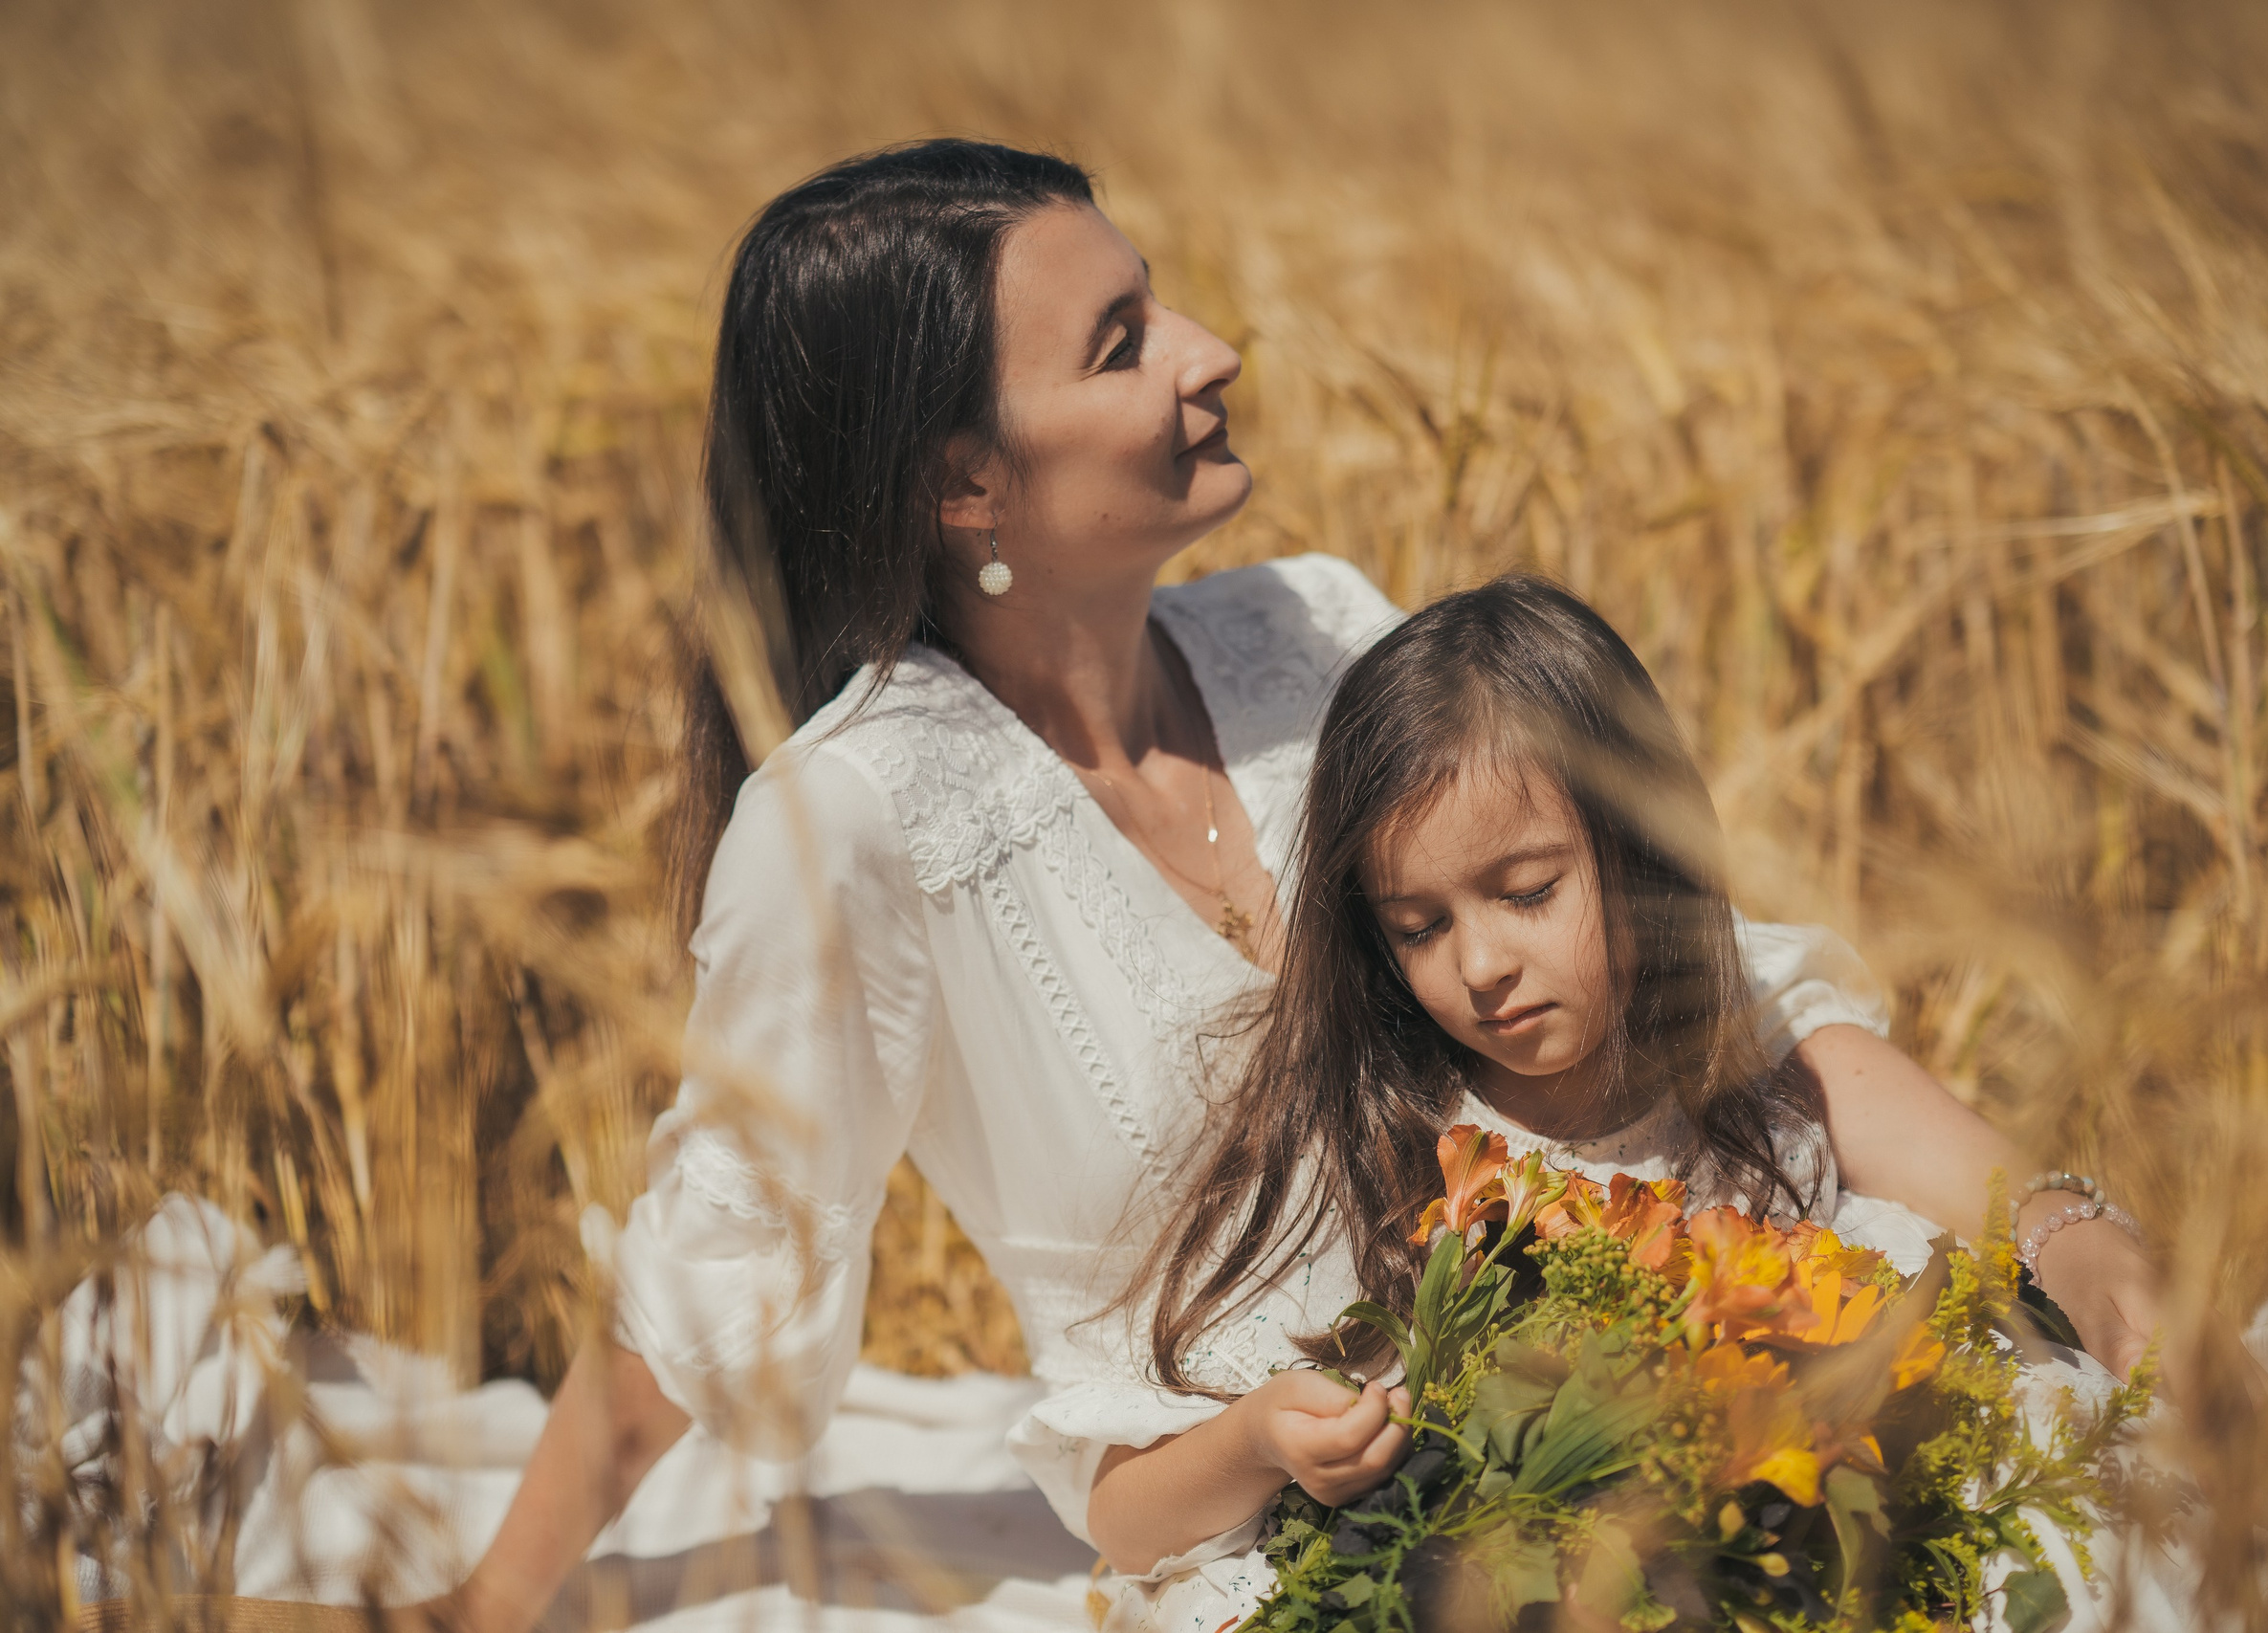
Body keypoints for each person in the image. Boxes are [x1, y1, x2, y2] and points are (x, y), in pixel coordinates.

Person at [427, 140, 2161, 1632]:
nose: (1211, 349)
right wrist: (497, 1601)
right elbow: (721, 1254)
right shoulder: (853, 823)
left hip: (1674, 1361)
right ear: (967, 480)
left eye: (1158, 300)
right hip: (1325, 1532)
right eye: (1121, 344)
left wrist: (2074, 1235)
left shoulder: (1309, 632)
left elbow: (1719, 993)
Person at [1063, 577, 2165, 1627]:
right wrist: (1258, 1441)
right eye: (1418, 927)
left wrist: (2079, 1247)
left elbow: (2010, 1197)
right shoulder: (1369, 1142)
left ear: (1641, 849)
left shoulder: (1758, 1074)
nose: (1480, 962)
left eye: (1527, 892)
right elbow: (1126, 1516)